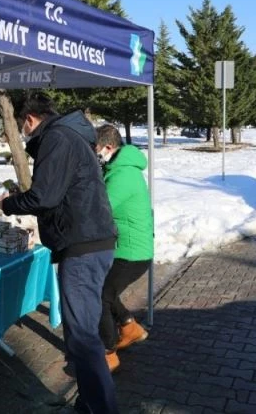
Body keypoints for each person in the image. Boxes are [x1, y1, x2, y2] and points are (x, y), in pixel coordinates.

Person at [0, 93, 119, 414]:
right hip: (90, 240)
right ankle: (90, 402)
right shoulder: (70, 135)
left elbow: (44, 196)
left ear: (30, 120)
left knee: (81, 337)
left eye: (23, 126)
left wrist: (8, 203)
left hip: (82, 244)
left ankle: (101, 407)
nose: (23, 133)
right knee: (83, 332)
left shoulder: (57, 138)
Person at [94, 124, 153, 372]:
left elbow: (100, 209)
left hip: (132, 252)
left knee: (100, 296)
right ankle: (129, 327)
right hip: (127, 248)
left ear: (108, 147)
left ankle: (108, 353)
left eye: (95, 149)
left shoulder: (123, 175)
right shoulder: (118, 169)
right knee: (106, 290)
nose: (94, 155)